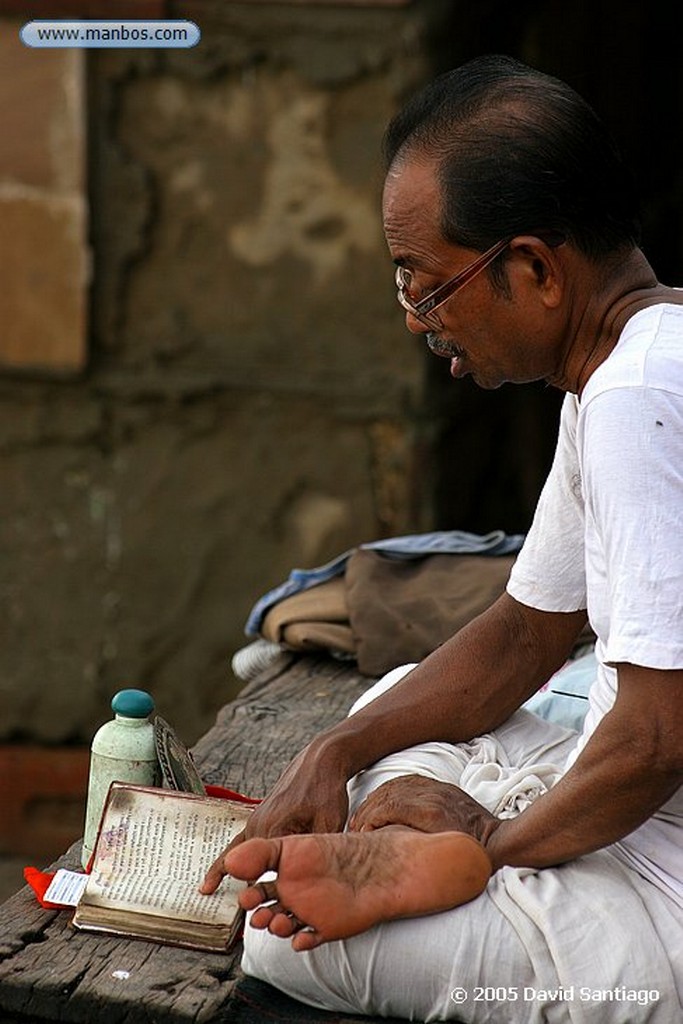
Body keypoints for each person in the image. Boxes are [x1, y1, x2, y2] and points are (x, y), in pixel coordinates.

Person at [201, 54, 683, 1022]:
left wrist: (487, 839)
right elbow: (521, 637)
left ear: (534, 269)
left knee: (273, 942)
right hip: (621, 805)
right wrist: (333, 751)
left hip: (660, 894)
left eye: (425, 287)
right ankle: (423, 837)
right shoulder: (630, 365)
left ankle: (453, 862)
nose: (421, 322)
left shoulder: (638, 399)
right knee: (388, 708)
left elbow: (649, 740)